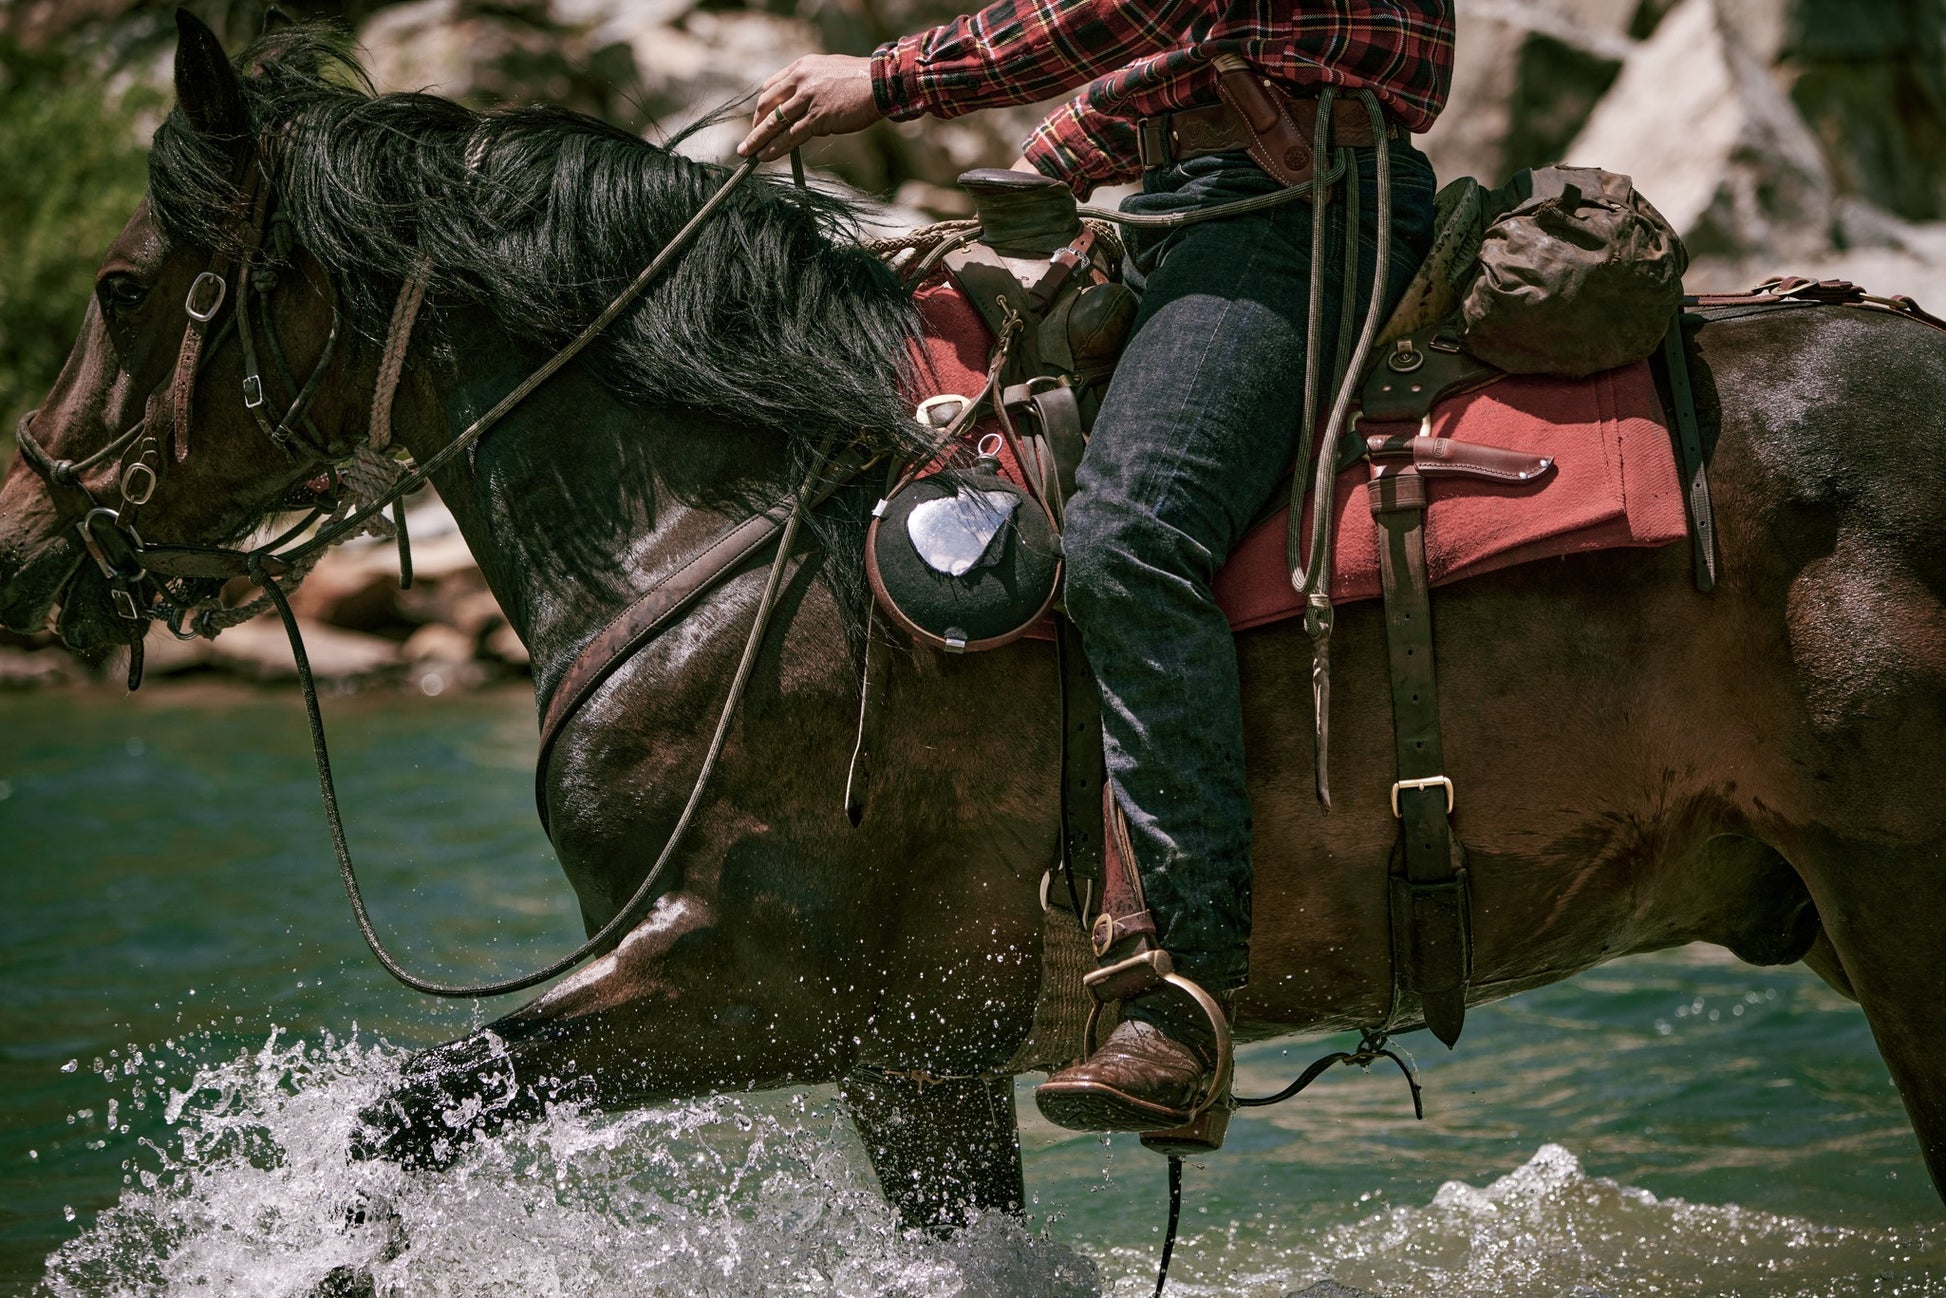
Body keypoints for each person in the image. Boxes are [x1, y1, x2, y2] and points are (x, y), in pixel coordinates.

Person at [739, 2, 1454, 1133]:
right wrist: (1044, 163)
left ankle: (1179, 991)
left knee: (1128, 539)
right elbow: (1190, 57)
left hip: (1288, 211)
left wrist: (884, 83)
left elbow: (1129, 13)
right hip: (1191, 205)